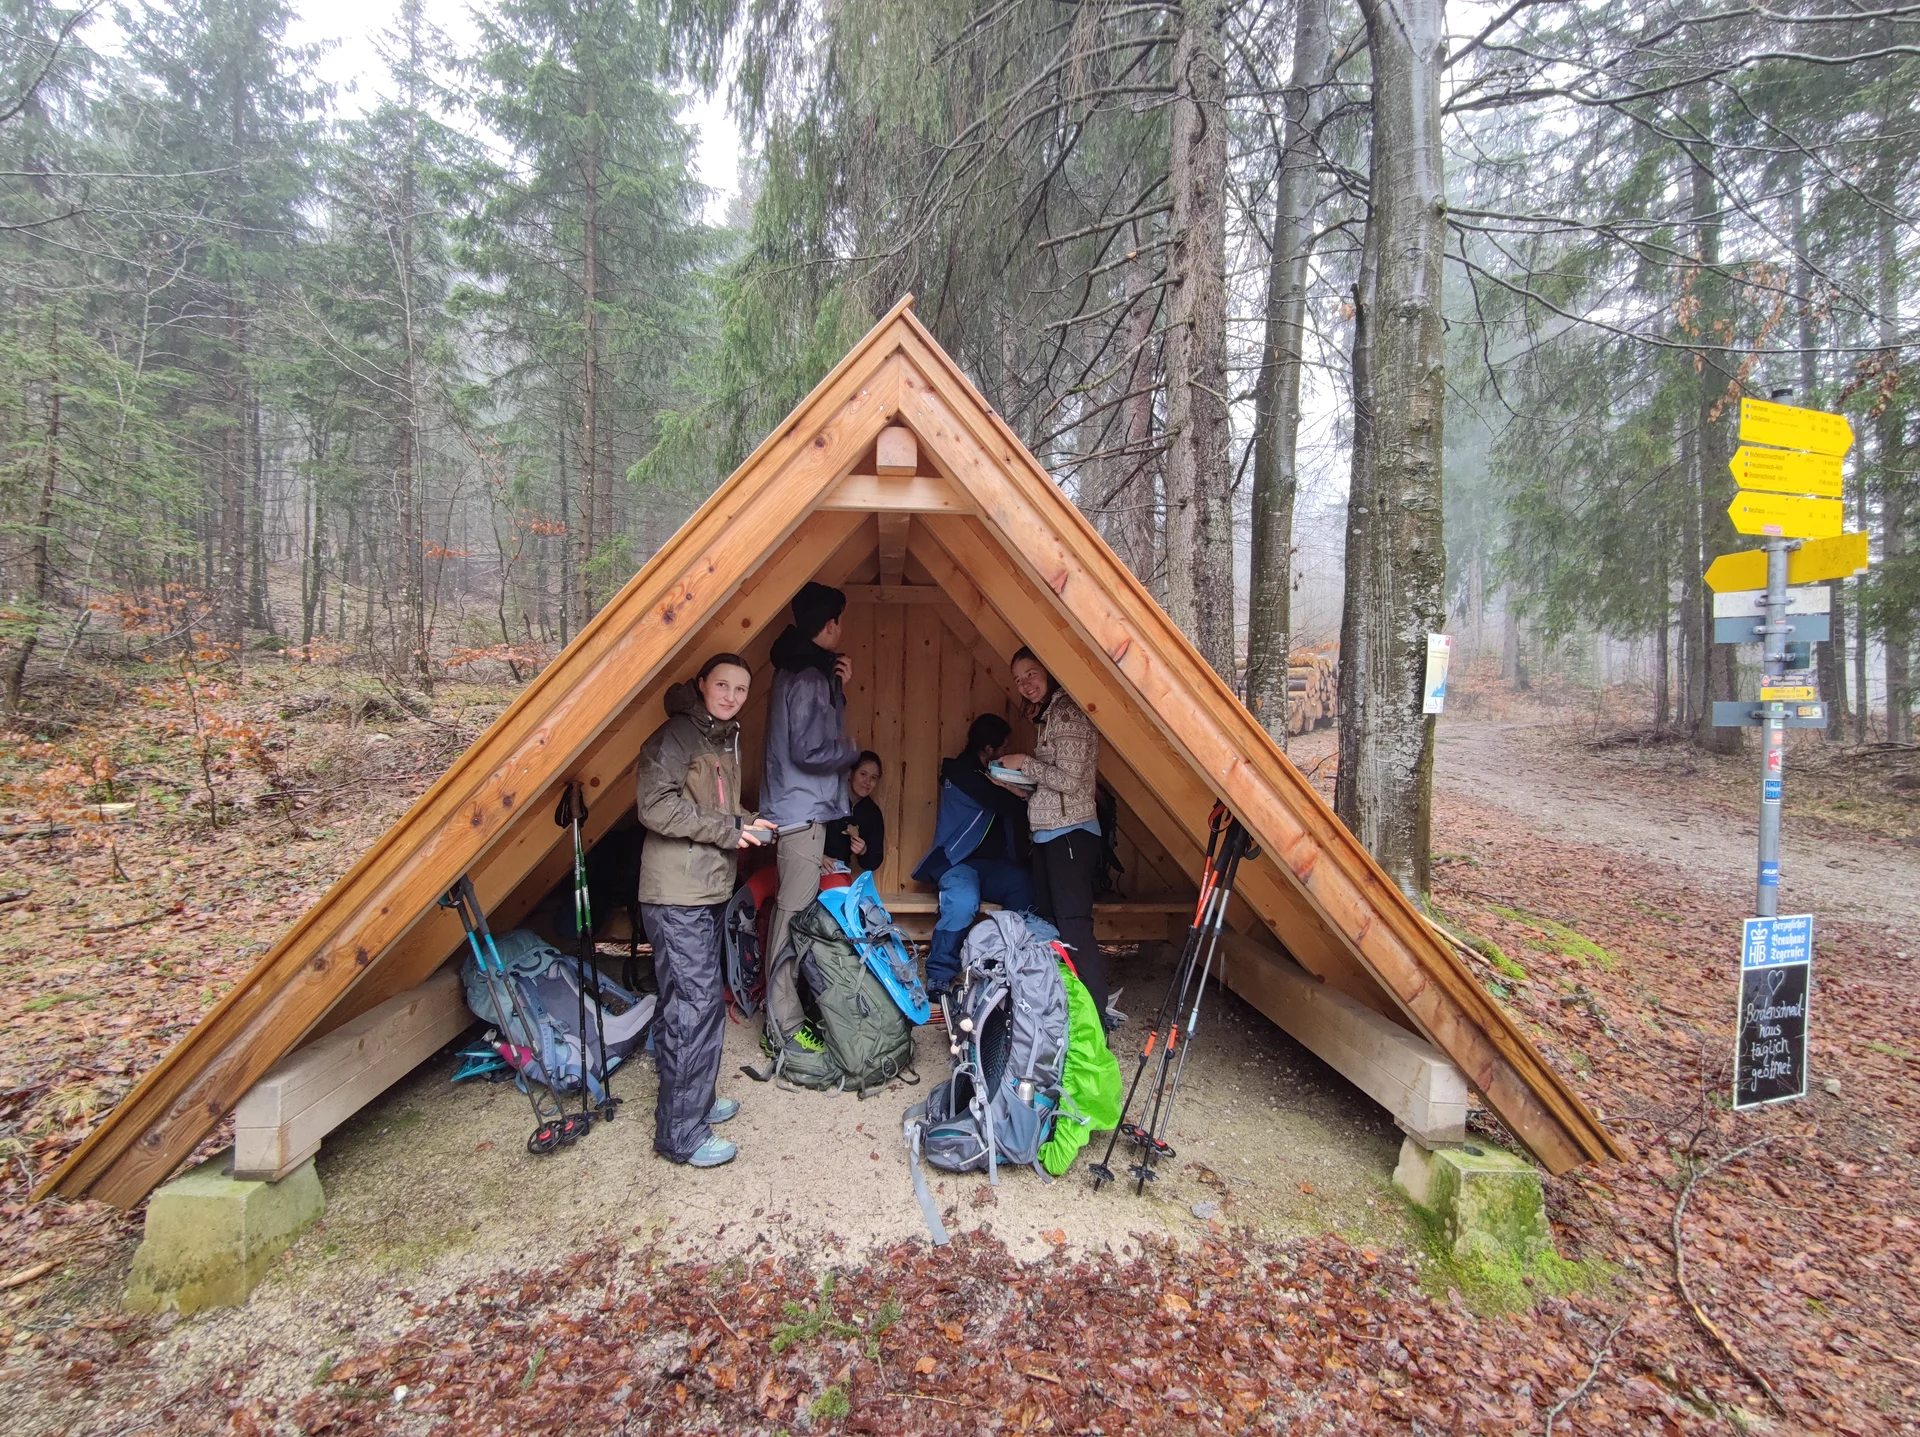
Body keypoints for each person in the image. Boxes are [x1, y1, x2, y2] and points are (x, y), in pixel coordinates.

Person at [634, 653, 775, 1168]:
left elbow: (713, 811)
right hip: (676, 894)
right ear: (702, 685)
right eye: (723, 685)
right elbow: (656, 806)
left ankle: (695, 1102)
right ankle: (680, 1134)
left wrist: (750, 821)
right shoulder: (677, 736)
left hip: (705, 890)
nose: (731, 696)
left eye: (740, 689)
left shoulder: (721, 739)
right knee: (693, 1008)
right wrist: (729, 829)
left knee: (697, 1004)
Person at [760, 581, 861, 1054]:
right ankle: (782, 1025)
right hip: (800, 812)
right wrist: (852, 750)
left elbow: (813, 732)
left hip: (800, 808)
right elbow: (811, 748)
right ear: (830, 624)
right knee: (792, 915)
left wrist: (838, 686)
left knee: (795, 913)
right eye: (840, 620)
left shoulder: (808, 669)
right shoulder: (806, 675)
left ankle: (788, 1012)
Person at [996, 648, 1109, 1024]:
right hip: (1049, 835)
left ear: (1049, 670)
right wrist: (1020, 786)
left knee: (1074, 924)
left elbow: (1071, 779)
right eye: (1019, 680)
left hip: (1071, 835)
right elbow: (1053, 782)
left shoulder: (1068, 712)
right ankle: (1062, 1011)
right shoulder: (1048, 716)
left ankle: (1093, 1019)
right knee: (1049, 924)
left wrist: (1022, 763)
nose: (1025, 685)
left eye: (1031, 674)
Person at [912, 714, 1032, 1001]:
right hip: (958, 862)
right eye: (1002, 748)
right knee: (963, 903)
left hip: (995, 868)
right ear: (988, 749)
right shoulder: (961, 773)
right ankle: (940, 976)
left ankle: (1001, 963)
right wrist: (1019, 791)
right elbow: (1007, 805)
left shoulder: (986, 775)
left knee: (1023, 886)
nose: (1004, 755)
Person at [823, 751, 886, 876]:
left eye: (873, 778)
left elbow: (874, 860)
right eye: (863, 774)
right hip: (809, 862)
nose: (867, 782)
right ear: (850, 773)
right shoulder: (828, 798)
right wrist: (818, 856)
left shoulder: (872, 813)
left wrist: (863, 851)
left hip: (836, 870)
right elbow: (804, 835)